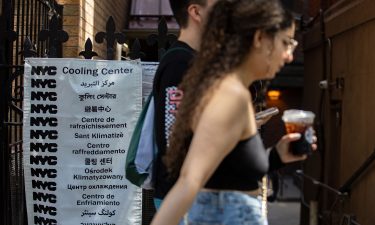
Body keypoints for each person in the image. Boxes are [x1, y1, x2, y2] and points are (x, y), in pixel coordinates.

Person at [151, 0, 316, 224]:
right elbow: (190, 179)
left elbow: (226, 173)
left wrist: (278, 155)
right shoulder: (231, 96)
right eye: (286, 43)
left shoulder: (235, 92)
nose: (289, 55)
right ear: (259, 39)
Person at [152, 0, 218, 208]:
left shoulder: (192, 60)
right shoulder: (180, 63)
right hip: (182, 199)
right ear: (196, 12)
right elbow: (174, 141)